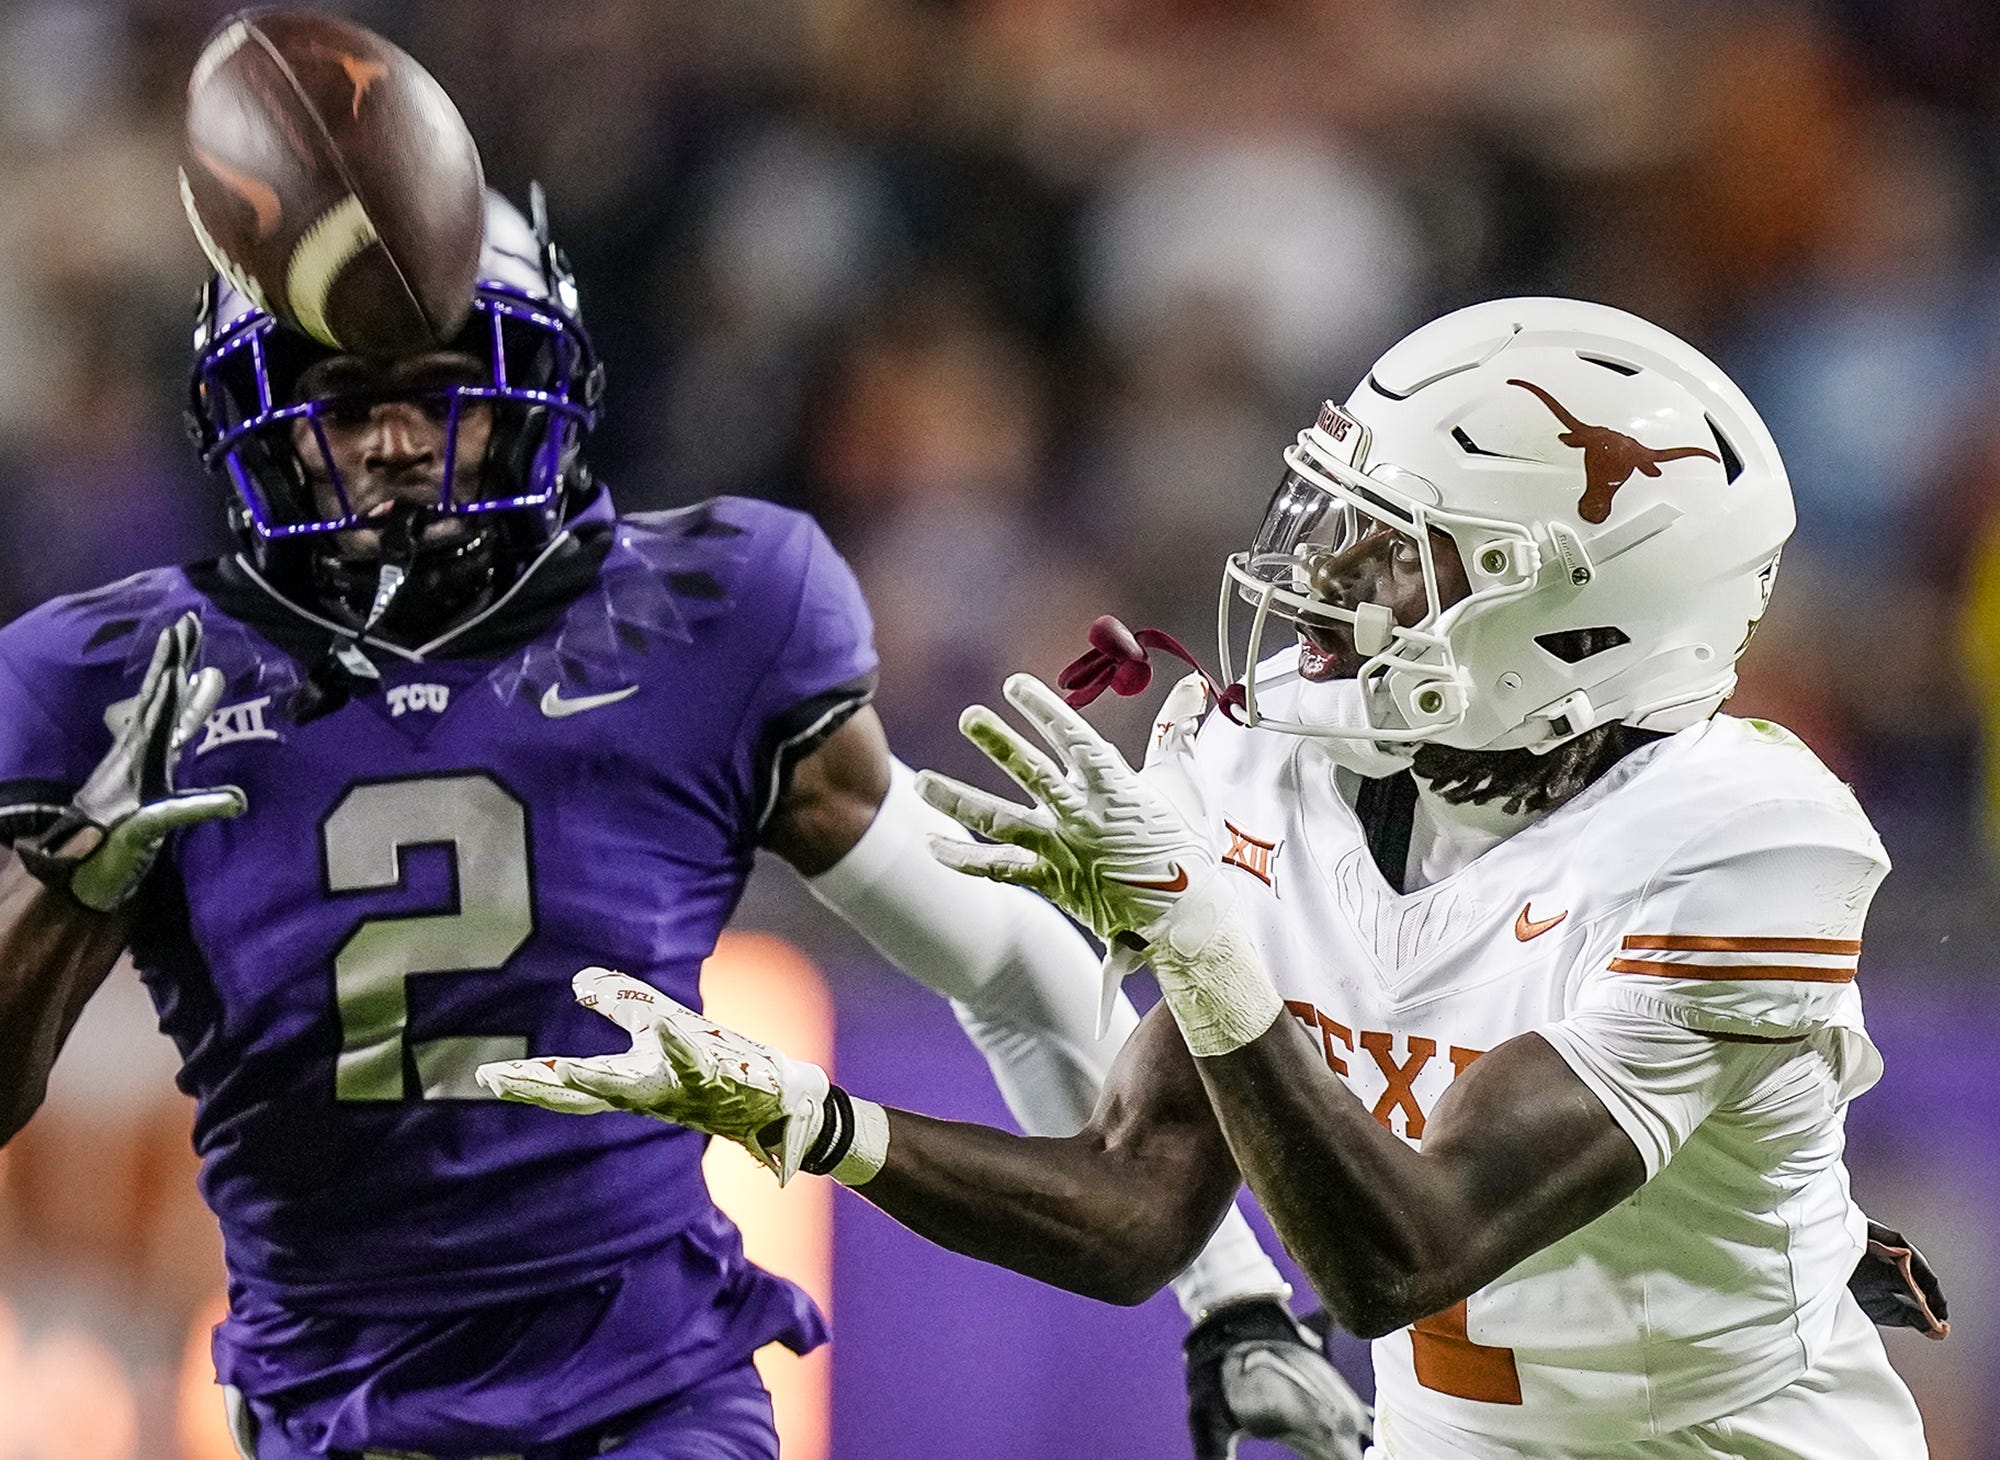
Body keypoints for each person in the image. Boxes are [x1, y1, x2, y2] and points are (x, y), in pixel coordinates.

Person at [0, 183, 1370, 1458]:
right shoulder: (130, 679)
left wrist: (1235, 1298)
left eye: (437, 395)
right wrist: (74, 891)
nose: (397, 443)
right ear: (265, 424)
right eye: (345, 403)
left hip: (652, 1385)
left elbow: (1008, 960)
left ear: (534, 393)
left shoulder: (699, 618)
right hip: (328, 1399)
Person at [486, 298, 1951, 1459]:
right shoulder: (1278, 774)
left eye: (1405, 564)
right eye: (1344, 527)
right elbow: (1138, 1207)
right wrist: (811, 1120)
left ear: (1585, 626)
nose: (1329, 590)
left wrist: (1194, 939)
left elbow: (1405, 1255)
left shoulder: (1740, 841)